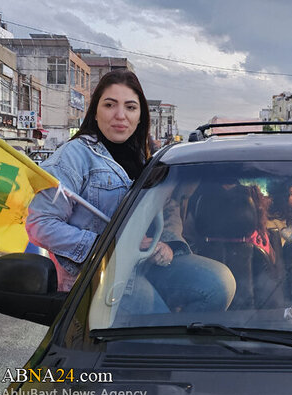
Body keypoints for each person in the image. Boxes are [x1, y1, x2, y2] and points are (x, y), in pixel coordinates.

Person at [26, 70, 234, 313]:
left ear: (139, 116)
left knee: (218, 284)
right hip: (101, 275)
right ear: (95, 111)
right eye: (110, 105)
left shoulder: (150, 157)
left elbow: (168, 207)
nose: (120, 116)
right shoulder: (73, 157)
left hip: (148, 265)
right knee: (154, 326)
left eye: (130, 107)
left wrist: (166, 243)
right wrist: (109, 246)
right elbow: (40, 223)